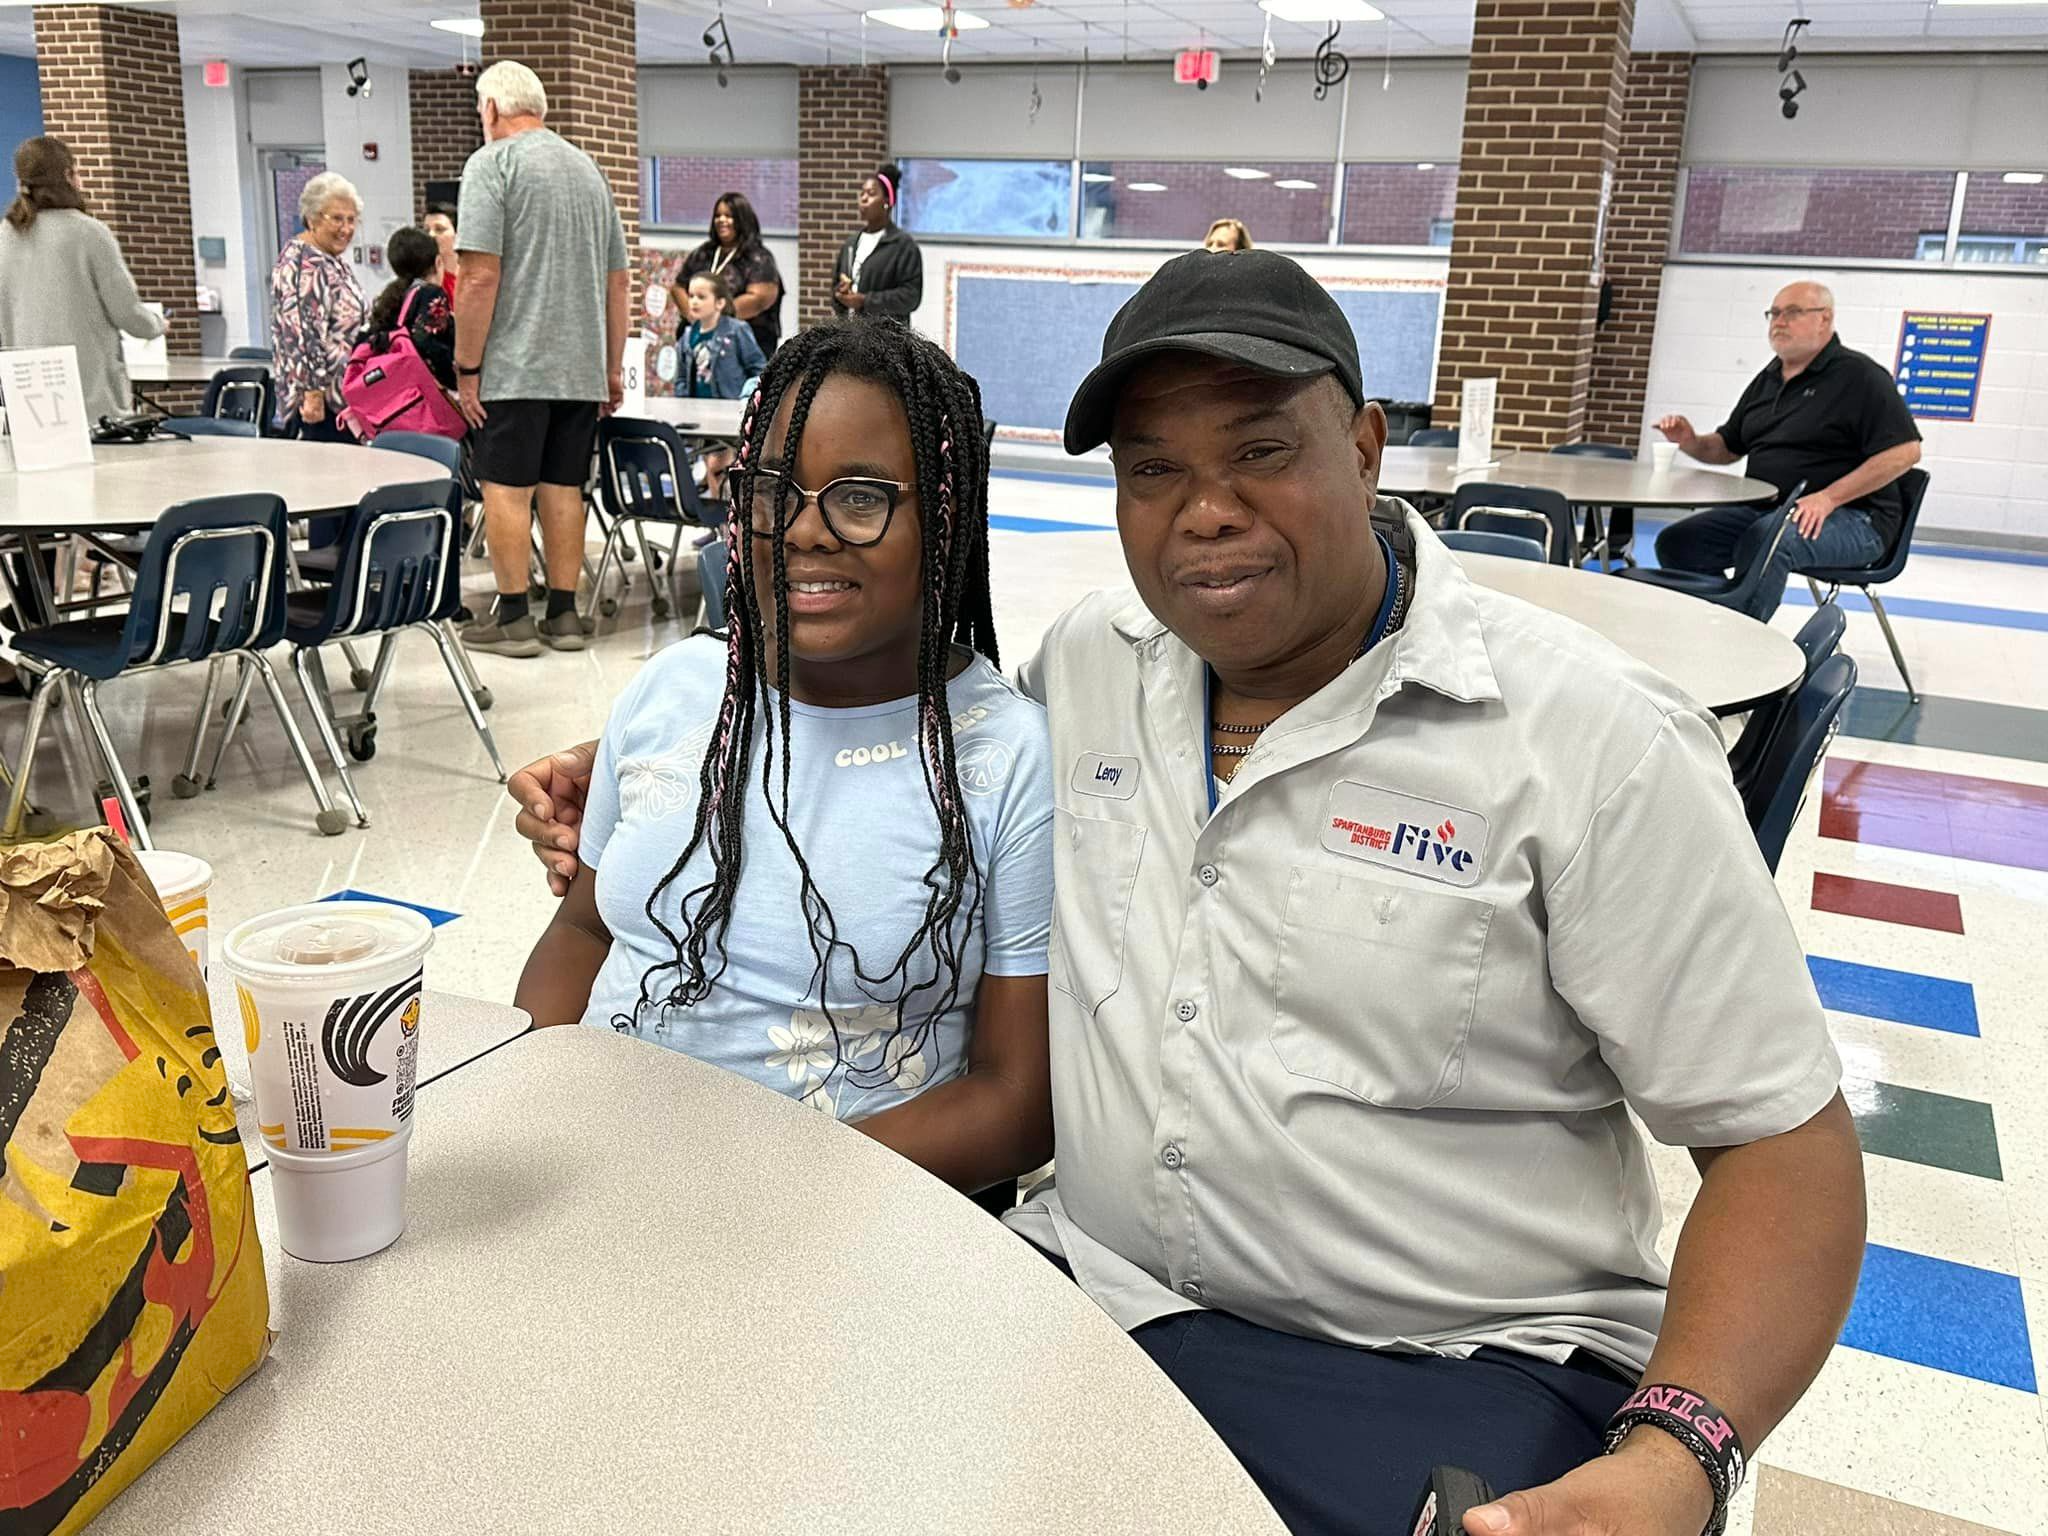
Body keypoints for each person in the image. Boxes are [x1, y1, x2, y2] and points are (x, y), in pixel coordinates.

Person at [506, 251, 1867, 1536]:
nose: (1205, 510)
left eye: (1260, 451)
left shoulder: (1591, 742)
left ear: (1368, 446)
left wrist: (1678, 1453)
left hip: (1456, 1361)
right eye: (1154, 470)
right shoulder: (1092, 672)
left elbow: (1782, 1146)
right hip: (1084, 1300)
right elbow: (890, 750)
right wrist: (650, 771)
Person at [515, 319, 1053, 1194]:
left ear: (947, 514)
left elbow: (1019, 1100)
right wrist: (532, 1095)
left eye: (861, 497)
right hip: (596, 1170)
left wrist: (757, 1188)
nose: (804, 532)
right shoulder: (677, 688)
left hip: (839, 1216)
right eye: (775, 490)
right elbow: (583, 929)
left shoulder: (1004, 757)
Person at [453, 59, 630, 660]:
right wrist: (611, 365)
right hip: (579, 369)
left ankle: (510, 618)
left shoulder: (492, 164)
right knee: (565, 486)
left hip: (514, 366)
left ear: (492, 109)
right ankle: (564, 614)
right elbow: (618, 282)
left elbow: (477, 275)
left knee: (506, 487)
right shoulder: (588, 171)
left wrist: (467, 366)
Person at [1654, 281, 1921, 620]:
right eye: (1774, 313)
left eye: (1792, 312)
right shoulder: (1767, 379)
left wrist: (1829, 498)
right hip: (1769, 511)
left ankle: (1741, 646)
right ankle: (1716, 621)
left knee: (1769, 540)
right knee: (1678, 542)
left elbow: (1906, 452)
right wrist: (1690, 441)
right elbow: (1728, 448)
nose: (1779, 322)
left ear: (1824, 319)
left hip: (1856, 517)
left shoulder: (1860, 377)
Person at [0, 136, 166, 423]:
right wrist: (156, 325)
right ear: (68, 175)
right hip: (92, 399)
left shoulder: (5, 237)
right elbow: (126, 312)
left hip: (27, 401)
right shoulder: (90, 234)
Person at [270, 171, 366, 442]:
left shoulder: (330, 259)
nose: (346, 228)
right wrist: (312, 393)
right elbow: (302, 333)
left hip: (343, 396)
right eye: (336, 218)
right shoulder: (304, 265)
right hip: (320, 405)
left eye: (351, 220)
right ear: (312, 218)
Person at [673, 269, 765, 497]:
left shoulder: (736, 331)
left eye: (701, 297)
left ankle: (727, 521)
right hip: (700, 417)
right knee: (712, 468)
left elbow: (759, 368)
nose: (693, 301)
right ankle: (718, 523)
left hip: (728, 414)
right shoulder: (687, 335)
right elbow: (682, 377)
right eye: (691, 295)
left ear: (720, 303)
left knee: (720, 467)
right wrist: (683, 406)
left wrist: (746, 398)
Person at [677, 191, 783, 358]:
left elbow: (760, 298)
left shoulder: (758, 257)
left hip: (744, 347)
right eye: (718, 215)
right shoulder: (704, 253)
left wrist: (717, 318)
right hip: (700, 343)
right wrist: (693, 315)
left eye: (729, 216)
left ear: (742, 220)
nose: (722, 220)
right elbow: (678, 287)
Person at [360, 225, 457, 392]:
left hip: (393, 392)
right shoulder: (431, 294)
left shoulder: (392, 296)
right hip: (420, 394)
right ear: (438, 262)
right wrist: (456, 382)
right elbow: (427, 342)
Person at [830, 162, 922, 324]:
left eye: (871, 193)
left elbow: (910, 297)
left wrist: (865, 301)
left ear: (887, 201)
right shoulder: (851, 244)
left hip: (887, 340)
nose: (864, 198)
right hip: (851, 334)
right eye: (862, 193)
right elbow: (836, 286)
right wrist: (840, 294)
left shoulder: (902, 245)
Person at [423, 201, 460, 303]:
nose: (431, 235)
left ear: (457, 234)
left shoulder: (472, 274)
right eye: (426, 231)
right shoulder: (422, 278)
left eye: (439, 229)